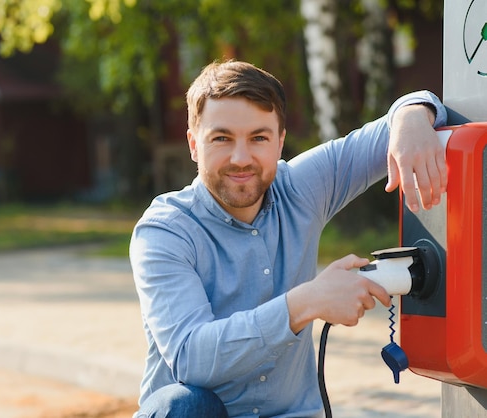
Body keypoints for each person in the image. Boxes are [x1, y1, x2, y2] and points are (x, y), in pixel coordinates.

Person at [129, 60, 447, 417]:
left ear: (280, 141)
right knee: (184, 405)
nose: (240, 158)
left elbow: (403, 116)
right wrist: (304, 303)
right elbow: (191, 358)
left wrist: (412, 117)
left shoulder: (300, 187)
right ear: (193, 144)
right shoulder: (165, 230)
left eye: (258, 138)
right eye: (222, 138)